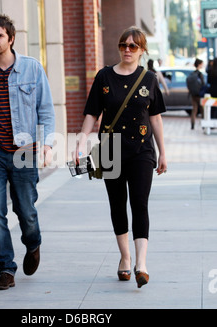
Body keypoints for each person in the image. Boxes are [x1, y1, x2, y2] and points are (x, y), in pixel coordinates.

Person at [0, 15, 55, 290]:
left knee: (25, 210)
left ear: (11, 38)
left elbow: (46, 110)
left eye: (0, 36)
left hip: (23, 152)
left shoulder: (32, 69)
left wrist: (47, 144)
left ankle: (33, 243)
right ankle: (6, 269)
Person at [76, 26, 167, 288]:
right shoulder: (104, 77)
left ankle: (141, 263)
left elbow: (155, 118)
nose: (127, 50)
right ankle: (125, 258)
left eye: (133, 46)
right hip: (110, 150)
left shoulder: (148, 79)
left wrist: (163, 152)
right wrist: (82, 140)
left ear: (142, 50)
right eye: (123, 45)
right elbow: (92, 113)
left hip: (141, 151)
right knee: (117, 204)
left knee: (139, 203)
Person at [187, 58, 205, 129]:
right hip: (199, 95)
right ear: (199, 64)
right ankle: (204, 125)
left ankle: (192, 124)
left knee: (194, 110)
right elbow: (203, 84)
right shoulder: (200, 74)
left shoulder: (192, 74)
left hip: (193, 94)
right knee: (203, 110)